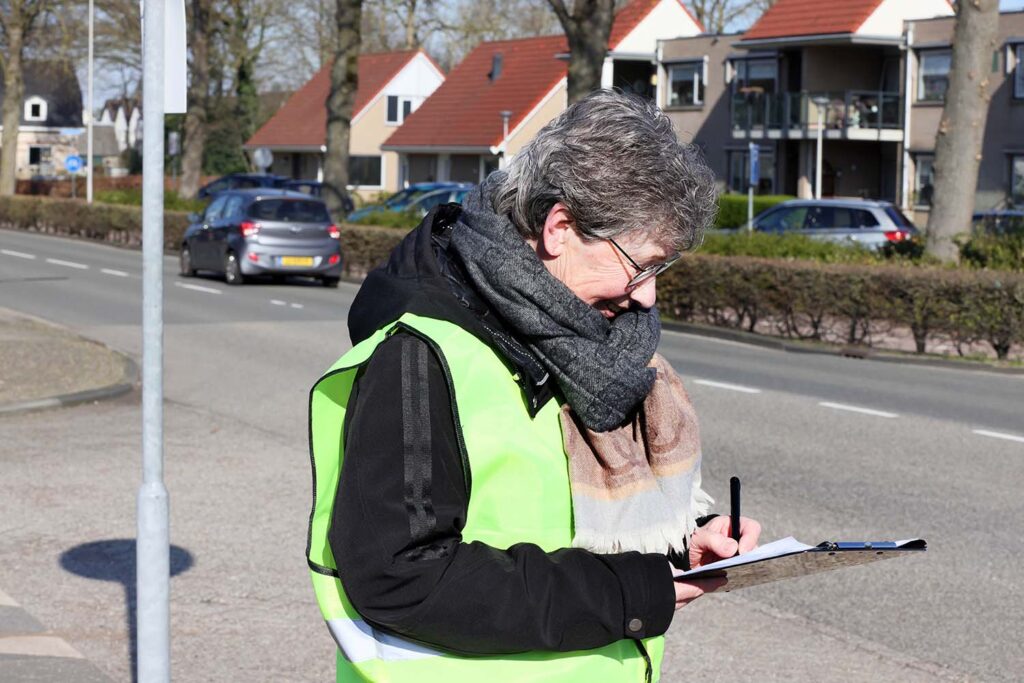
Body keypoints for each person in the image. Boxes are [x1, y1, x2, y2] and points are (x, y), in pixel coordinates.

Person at [307, 90, 762, 682]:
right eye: (640, 265)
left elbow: (556, 524)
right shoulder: (420, 357)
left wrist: (679, 552)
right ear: (560, 228)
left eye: (661, 270)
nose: (647, 296)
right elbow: (402, 577)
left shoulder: (584, 346)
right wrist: (628, 592)